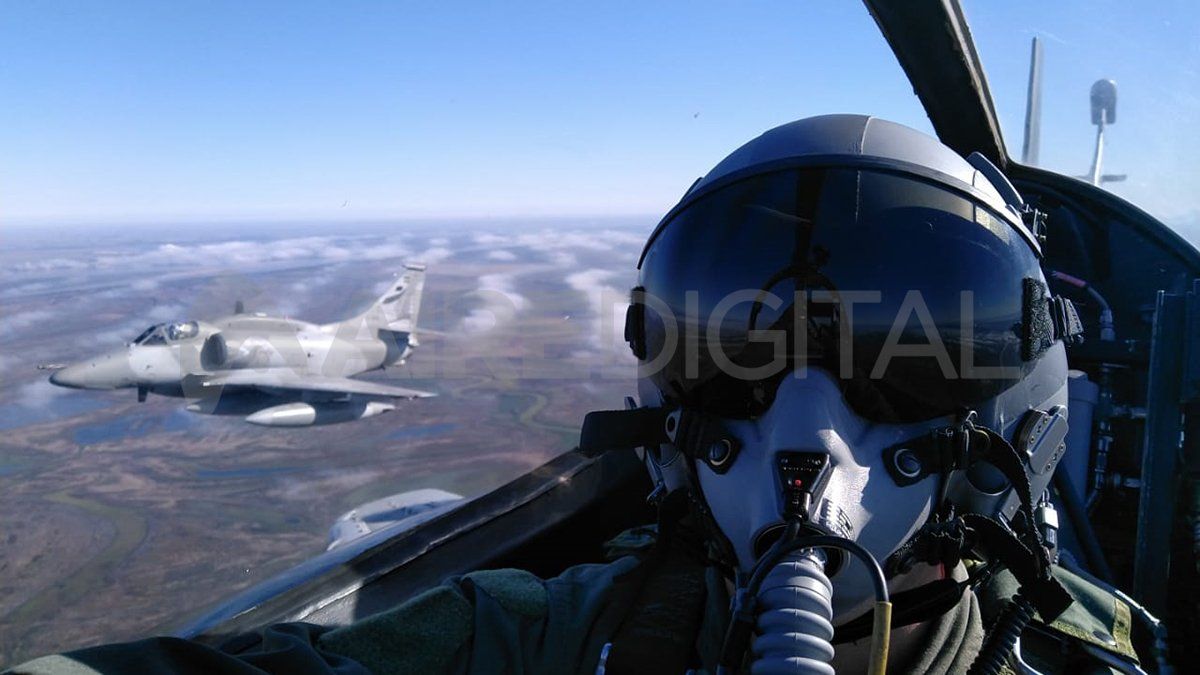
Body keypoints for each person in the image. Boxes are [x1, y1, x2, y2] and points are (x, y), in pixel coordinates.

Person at [7, 115, 1146, 675]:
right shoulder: (547, 634)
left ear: (1018, 404)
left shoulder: (1091, 657)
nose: (808, 422)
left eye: (908, 352)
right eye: (735, 347)